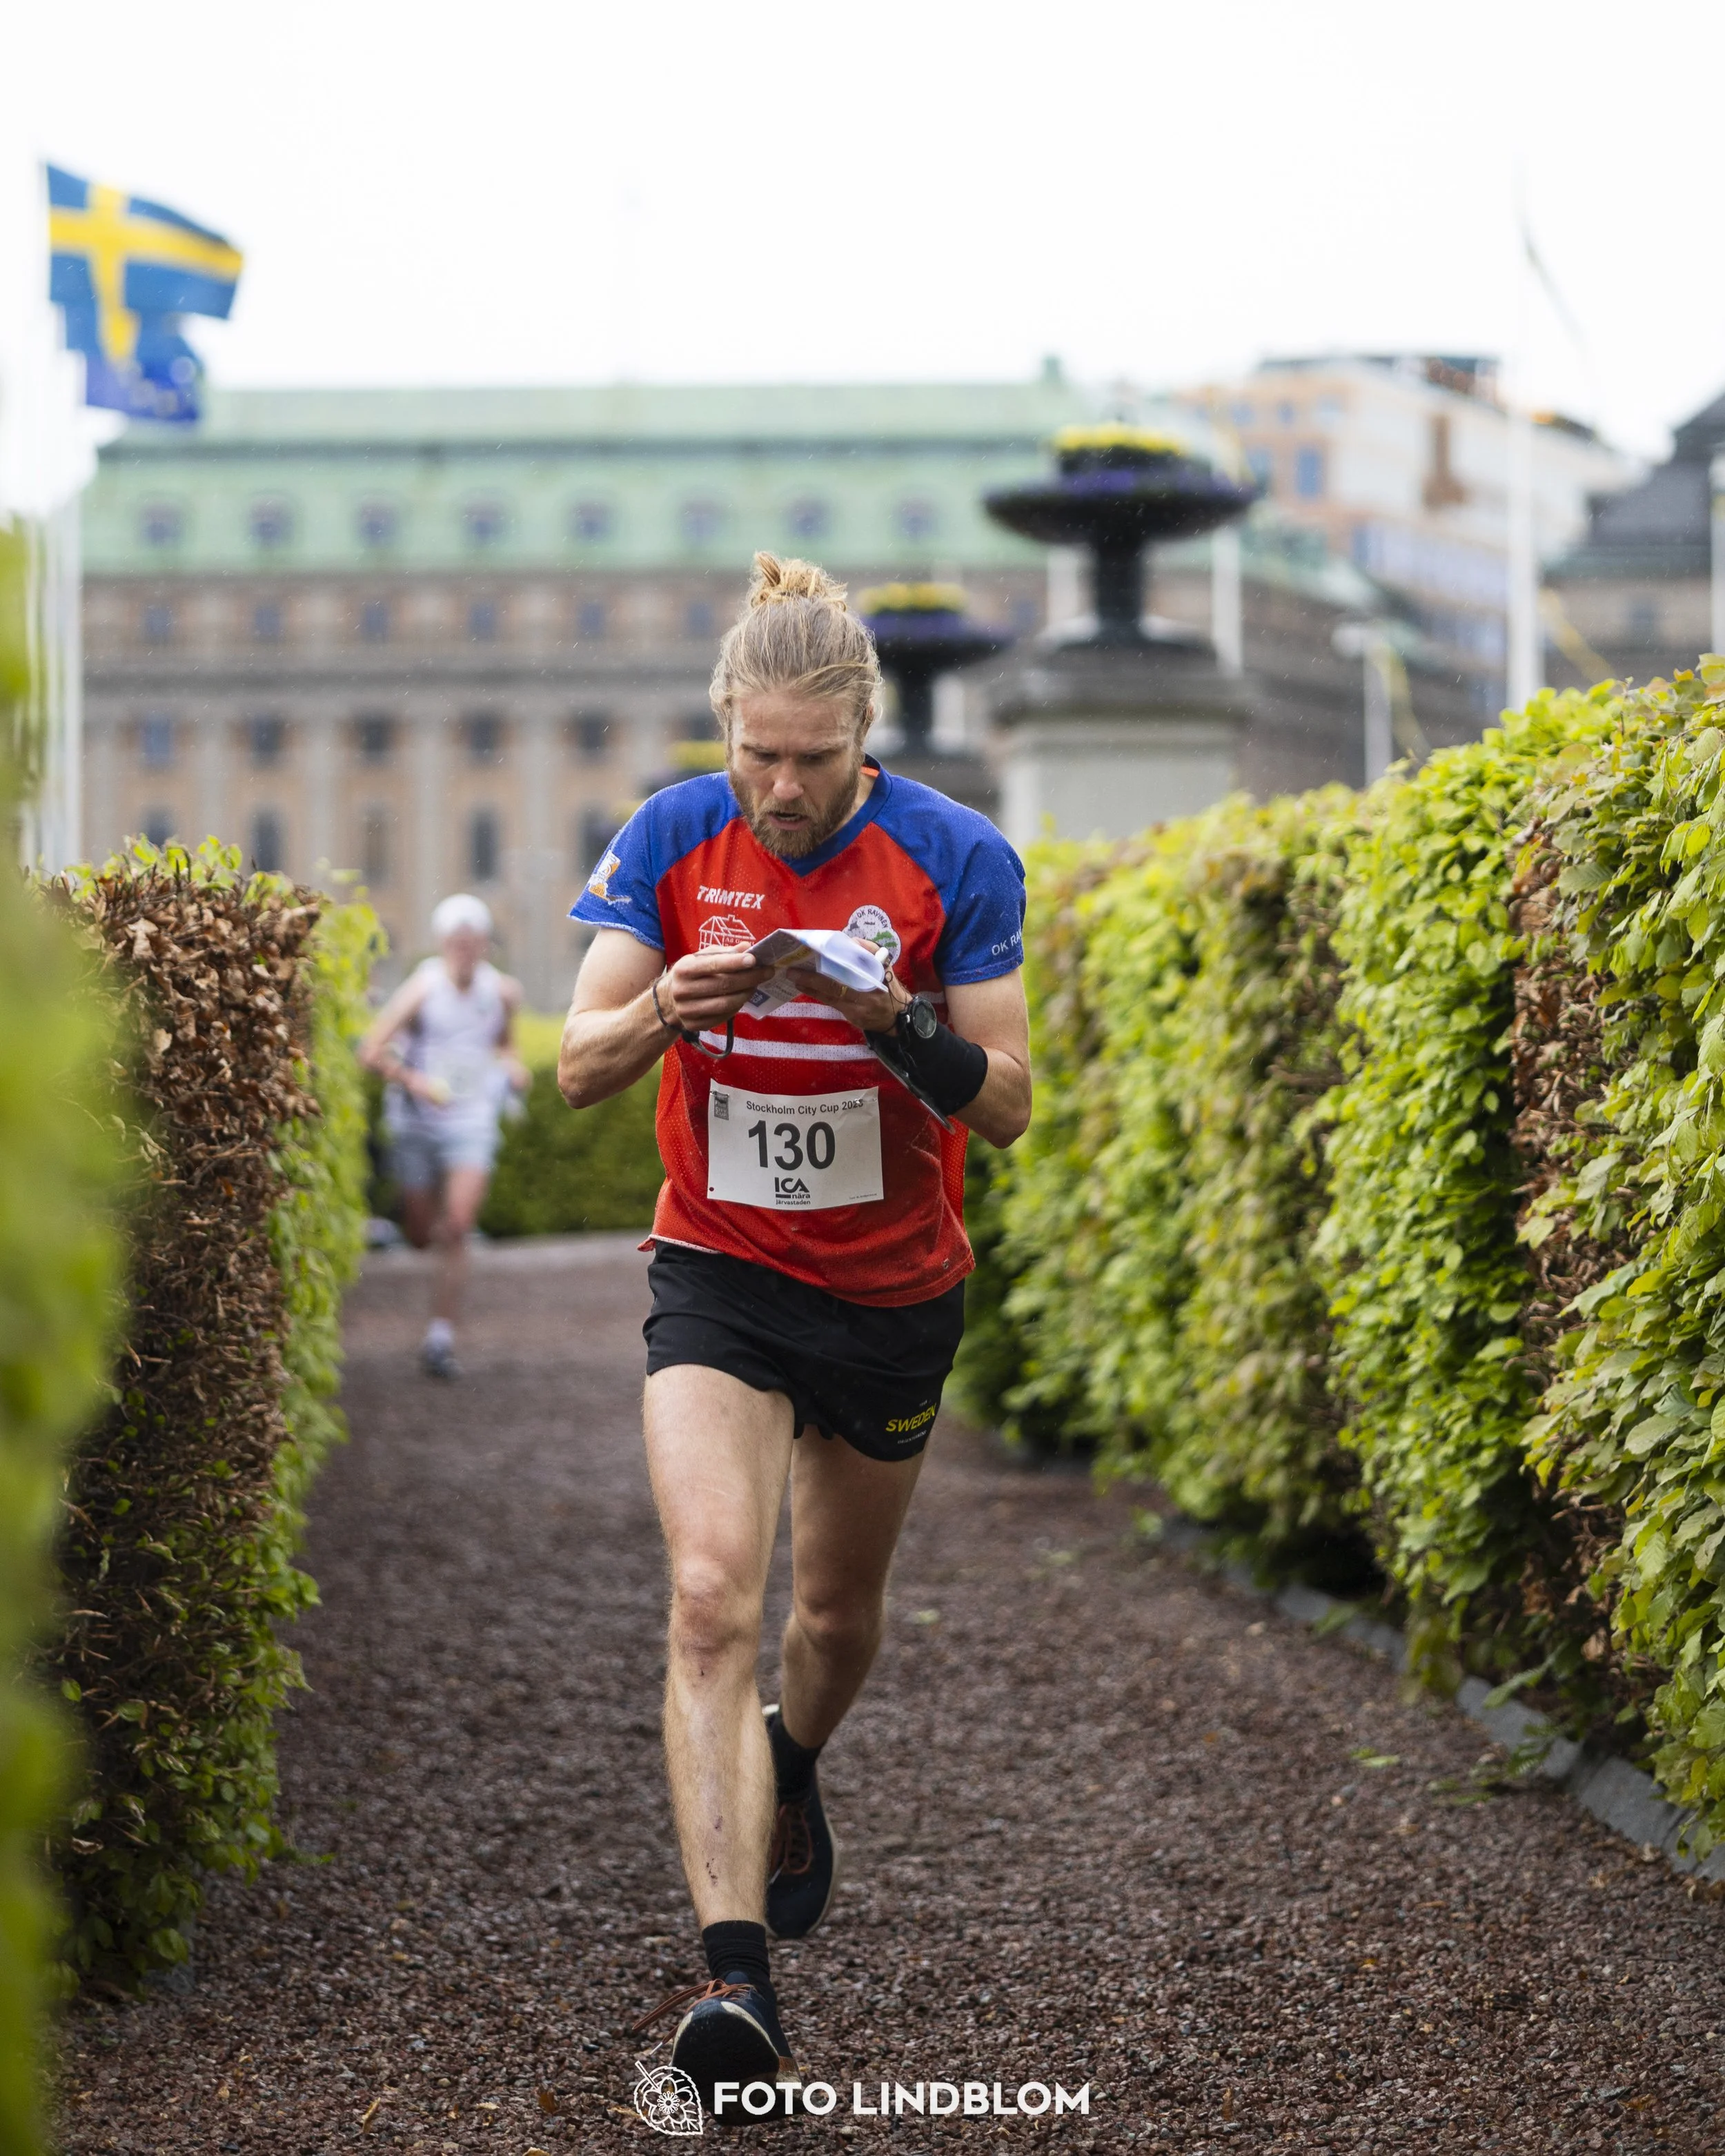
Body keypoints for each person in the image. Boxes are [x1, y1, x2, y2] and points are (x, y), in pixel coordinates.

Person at [558, 554, 1032, 2112]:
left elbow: (1012, 1104)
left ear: (862, 739)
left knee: (829, 1619)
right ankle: (733, 1978)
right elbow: (575, 1069)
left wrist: (893, 1018)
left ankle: (794, 1758)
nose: (779, 786)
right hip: (720, 1268)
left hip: (892, 1286)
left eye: (811, 761)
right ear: (725, 731)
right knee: (710, 1594)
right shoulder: (674, 835)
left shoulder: (955, 856)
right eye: (756, 753)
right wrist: (661, 1018)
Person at [359, 893, 529, 1378]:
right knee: (420, 1233)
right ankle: (402, 1230)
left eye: (474, 942)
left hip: (472, 1120)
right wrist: (415, 1082)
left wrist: (514, 1068)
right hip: (417, 1122)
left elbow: (505, 1043)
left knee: (456, 1224)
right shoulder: (422, 988)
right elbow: (370, 1050)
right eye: (457, 943)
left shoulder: (503, 993)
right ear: (442, 944)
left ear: (485, 946)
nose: (465, 951)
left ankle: (440, 1334)